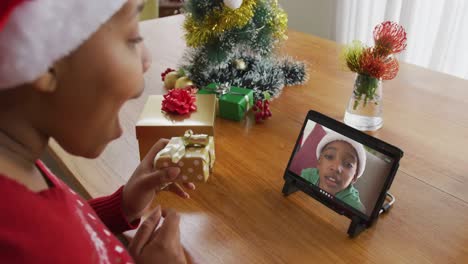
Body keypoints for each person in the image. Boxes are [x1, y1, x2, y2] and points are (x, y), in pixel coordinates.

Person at [0, 0, 194, 263]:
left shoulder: (18, 172)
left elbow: (67, 233)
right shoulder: (37, 245)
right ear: (46, 59)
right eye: (133, 38)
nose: (147, 60)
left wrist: (122, 206)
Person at [300, 132, 367, 212]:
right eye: (329, 156)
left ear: (354, 177)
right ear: (319, 162)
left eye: (348, 164)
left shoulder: (353, 206)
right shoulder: (307, 175)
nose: (336, 168)